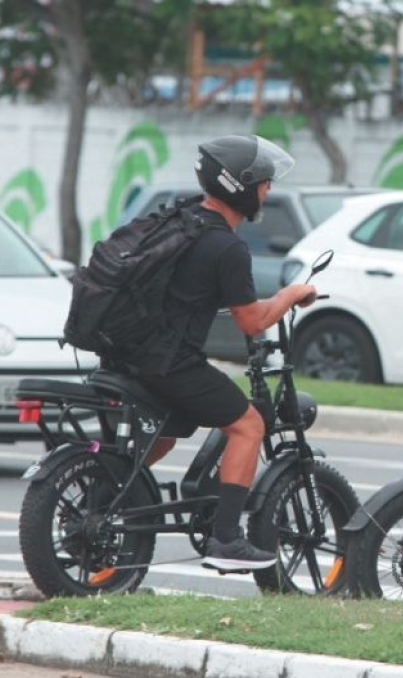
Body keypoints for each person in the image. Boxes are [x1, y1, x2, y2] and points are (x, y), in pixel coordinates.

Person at [122, 135, 317, 572]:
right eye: (263, 183)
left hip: (129, 354)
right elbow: (252, 321)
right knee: (249, 425)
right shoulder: (226, 246)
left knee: (167, 432)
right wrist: (290, 294)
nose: (267, 190)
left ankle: (111, 489)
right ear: (240, 186)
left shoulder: (179, 221)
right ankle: (226, 540)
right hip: (170, 362)